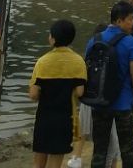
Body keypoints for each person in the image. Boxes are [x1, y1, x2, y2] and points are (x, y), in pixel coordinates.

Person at [85, 3, 133, 168]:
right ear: (119, 21)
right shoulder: (131, 42)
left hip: (100, 102)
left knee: (99, 149)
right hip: (124, 103)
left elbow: (88, 72)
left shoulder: (93, 40)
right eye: (130, 19)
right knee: (127, 149)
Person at [30, 19, 87, 168]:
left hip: (44, 117)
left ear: (53, 38)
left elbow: (33, 94)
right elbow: (80, 92)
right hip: (65, 118)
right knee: (55, 163)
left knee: (38, 162)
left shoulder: (42, 62)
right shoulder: (78, 61)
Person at [70, 27, 118, 168]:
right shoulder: (113, 52)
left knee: (83, 126)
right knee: (111, 139)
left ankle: (76, 157)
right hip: (107, 101)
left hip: (90, 98)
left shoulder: (92, 49)